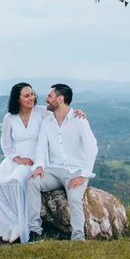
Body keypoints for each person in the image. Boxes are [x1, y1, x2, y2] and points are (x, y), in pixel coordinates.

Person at [0, 83, 86, 244]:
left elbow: (61, 111)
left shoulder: (40, 112)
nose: (31, 98)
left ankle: (23, 226)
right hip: (16, 159)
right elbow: (6, 144)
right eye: (26, 96)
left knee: (18, 181)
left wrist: (77, 113)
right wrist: (16, 158)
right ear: (17, 99)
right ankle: (8, 223)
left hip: (36, 159)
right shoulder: (9, 118)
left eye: (32, 94)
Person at [27, 83, 98, 241]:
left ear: (60, 99)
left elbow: (92, 148)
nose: (46, 99)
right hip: (53, 171)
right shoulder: (47, 122)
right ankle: (34, 231)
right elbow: (41, 147)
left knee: (74, 197)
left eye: (50, 96)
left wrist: (84, 175)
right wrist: (39, 166)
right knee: (32, 182)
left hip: (76, 171)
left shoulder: (79, 120)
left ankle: (78, 238)